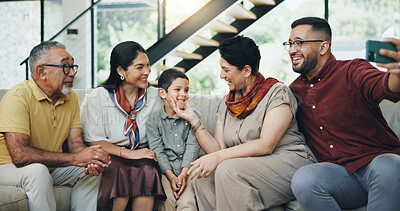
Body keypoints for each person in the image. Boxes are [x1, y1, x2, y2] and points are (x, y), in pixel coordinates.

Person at [170, 35, 317, 211]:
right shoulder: (227, 104)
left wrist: (217, 158)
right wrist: (194, 121)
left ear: (246, 70)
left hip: (290, 163)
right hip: (247, 167)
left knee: (227, 170)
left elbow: (266, 145)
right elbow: (218, 150)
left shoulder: (277, 93)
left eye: (226, 70)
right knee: (200, 176)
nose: (221, 75)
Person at [286, 17, 400, 211]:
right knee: (303, 179)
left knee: (388, 164)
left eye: (299, 43)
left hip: (380, 168)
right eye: (290, 44)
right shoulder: (293, 91)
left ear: (323, 47)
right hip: (342, 178)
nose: (292, 50)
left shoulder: (352, 71)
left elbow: (385, 87)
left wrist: (397, 74)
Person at [0, 41, 111, 211]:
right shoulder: (18, 96)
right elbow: (20, 156)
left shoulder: (70, 97)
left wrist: (89, 158)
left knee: (90, 170)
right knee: (37, 172)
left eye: (73, 66)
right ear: (41, 71)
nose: (72, 73)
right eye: (65, 67)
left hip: (50, 167)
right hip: (8, 168)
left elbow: (75, 144)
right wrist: (76, 159)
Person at [80, 41, 166, 211]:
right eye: (139, 67)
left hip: (142, 155)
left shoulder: (156, 96)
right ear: (120, 70)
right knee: (121, 172)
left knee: (148, 169)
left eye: (148, 66)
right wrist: (128, 154)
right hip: (111, 155)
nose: (147, 72)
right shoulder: (98, 97)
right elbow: (94, 141)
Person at [146, 68, 200, 211]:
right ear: (162, 93)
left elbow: (192, 146)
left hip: (187, 171)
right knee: (167, 202)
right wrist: (171, 177)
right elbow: (158, 150)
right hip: (165, 172)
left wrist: (183, 174)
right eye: (177, 89)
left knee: (187, 203)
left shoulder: (193, 117)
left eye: (186, 90)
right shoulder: (153, 121)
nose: (183, 94)